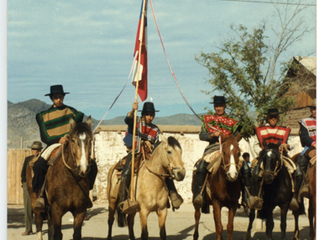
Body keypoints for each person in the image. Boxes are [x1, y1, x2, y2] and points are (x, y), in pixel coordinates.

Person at [32, 85, 97, 211]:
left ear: (63, 97)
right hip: (53, 145)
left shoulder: (72, 112)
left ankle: (86, 193)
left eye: (60, 97)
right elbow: (44, 137)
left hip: (71, 144)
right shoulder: (44, 116)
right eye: (56, 97)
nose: (58, 100)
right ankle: (40, 196)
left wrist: (70, 137)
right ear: (51, 98)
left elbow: (78, 128)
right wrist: (58, 139)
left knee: (92, 165)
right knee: (39, 165)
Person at [119, 101, 183, 213]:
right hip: (136, 153)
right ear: (143, 114)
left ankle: (173, 195)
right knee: (125, 174)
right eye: (148, 114)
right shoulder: (136, 122)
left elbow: (158, 144)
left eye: (152, 115)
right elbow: (127, 120)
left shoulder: (155, 129)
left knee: (166, 170)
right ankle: (124, 201)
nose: (150, 117)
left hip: (150, 156)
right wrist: (133, 110)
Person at [192, 96, 242, 212]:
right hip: (213, 148)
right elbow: (201, 135)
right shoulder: (208, 120)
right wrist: (212, 135)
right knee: (201, 166)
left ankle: (246, 196)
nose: (218, 108)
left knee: (243, 166)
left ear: (225, 106)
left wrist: (229, 140)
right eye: (216, 106)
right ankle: (200, 196)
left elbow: (238, 135)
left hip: (229, 150)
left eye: (220, 106)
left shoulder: (232, 121)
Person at [249, 108, 296, 210]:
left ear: (278, 117)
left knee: (296, 171)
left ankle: (293, 197)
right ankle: (257, 197)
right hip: (265, 157)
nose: (273, 119)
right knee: (255, 172)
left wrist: (287, 145)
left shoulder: (284, 129)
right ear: (267, 117)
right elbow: (256, 145)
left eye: (275, 117)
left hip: (281, 156)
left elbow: (292, 143)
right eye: (271, 117)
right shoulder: (260, 130)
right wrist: (261, 152)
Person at [295, 99, 316, 202]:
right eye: (313, 108)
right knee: (301, 162)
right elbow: (304, 136)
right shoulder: (305, 121)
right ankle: (301, 190)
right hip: (311, 147)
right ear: (311, 110)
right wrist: (313, 143)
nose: (315, 111)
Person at [21, 141, 43, 236]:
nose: (33, 151)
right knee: (27, 207)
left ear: (40, 150)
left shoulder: (42, 160)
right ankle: (28, 229)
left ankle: (39, 229)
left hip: (39, 186)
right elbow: (23, 172)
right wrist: (24, 182)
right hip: (27, 185)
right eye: (32, 149)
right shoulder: (27, 159)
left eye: (35, 149)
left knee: (39, 207)